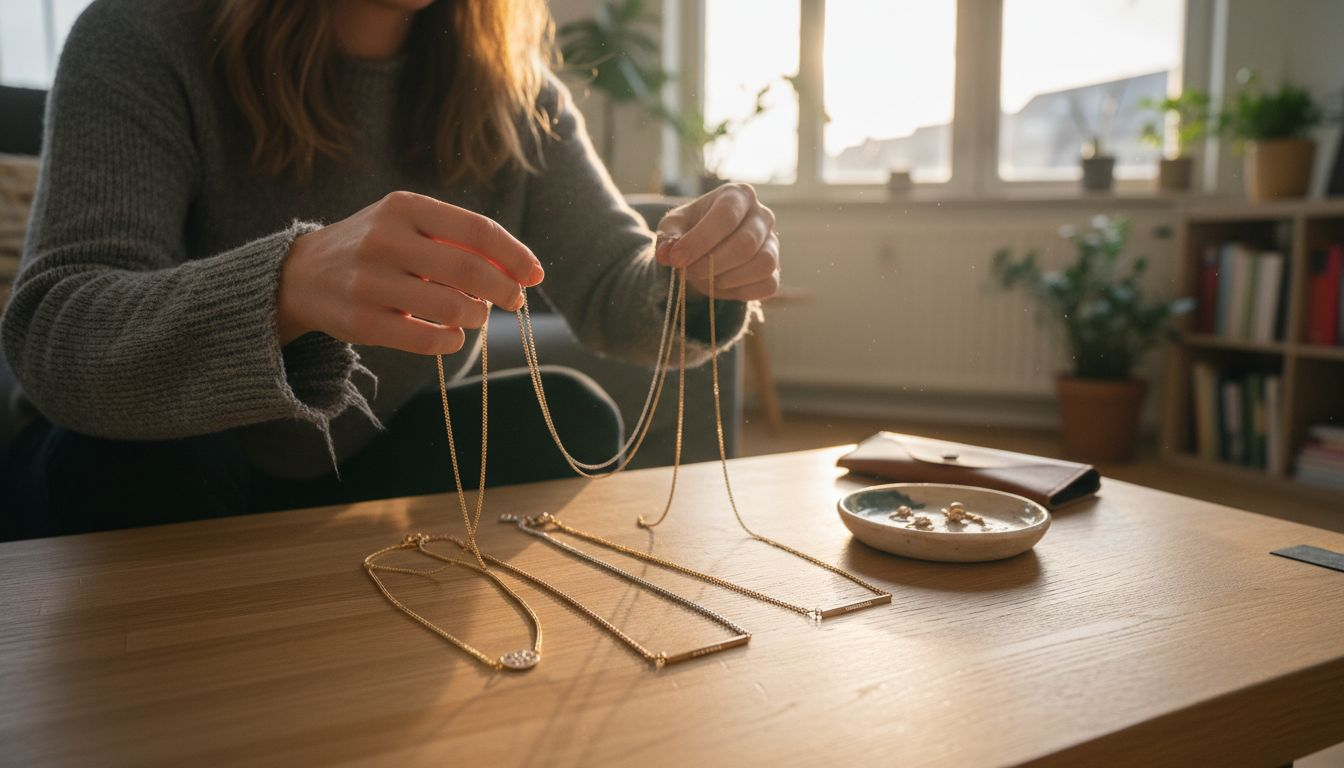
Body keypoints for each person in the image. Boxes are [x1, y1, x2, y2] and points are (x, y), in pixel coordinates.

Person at [0, 0, 779, 539]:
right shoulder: (141, 36)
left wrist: (699, 274)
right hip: (143, 466)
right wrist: (286, 286)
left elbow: (619, 291)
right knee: (151, 466)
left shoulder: (513, 92)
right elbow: (55, 330)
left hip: (359, 459)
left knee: (568, 416)